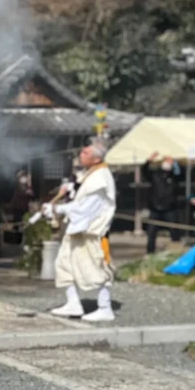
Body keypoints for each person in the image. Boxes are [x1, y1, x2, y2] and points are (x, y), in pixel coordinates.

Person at [46, 138, 117, 322]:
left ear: (95, 159)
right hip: (78, 230)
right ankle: (73, 303)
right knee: (64, 265)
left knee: (98, 268)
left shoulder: (101, 177)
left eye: (85, 153)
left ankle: (105, 307)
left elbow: (87, 208)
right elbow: (79, 194)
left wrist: (58, 209)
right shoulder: (90, 173)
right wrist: (71, 189)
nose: (81, 155)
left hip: (92, 231)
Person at [143, 153, 183, 254]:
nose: (168, 163)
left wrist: (175, 164)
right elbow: (144, 171)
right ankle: (150, 252)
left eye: (170, 161)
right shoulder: (155, 174)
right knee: (151, 232)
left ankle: (175, 251)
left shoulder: (174, 175)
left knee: (174, 231)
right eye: (166, 161)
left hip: (170, 208)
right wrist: (148, 161)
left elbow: (181, 174)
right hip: (155, 208)